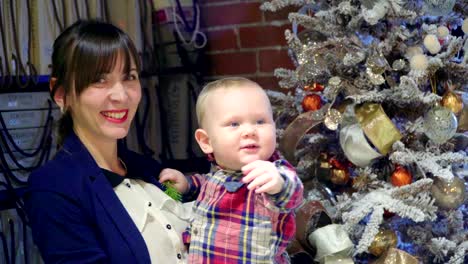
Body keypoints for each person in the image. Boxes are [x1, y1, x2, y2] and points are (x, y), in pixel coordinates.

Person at [24, 20, 192, 263]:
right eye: (99, 80)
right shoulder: (54, 189)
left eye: (130, 77)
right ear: (61, 93)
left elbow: (182, 204)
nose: (121, 95)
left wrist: (187, 189)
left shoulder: (146, 169)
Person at [160, 77, 304, 263]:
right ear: (206, 141)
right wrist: (188, 184)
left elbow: (293, 194)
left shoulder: (269, 174)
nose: (250, 131)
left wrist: (279, 183)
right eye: (235, 124)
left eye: (260, 121)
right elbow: (210, 183)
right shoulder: (221, 172)